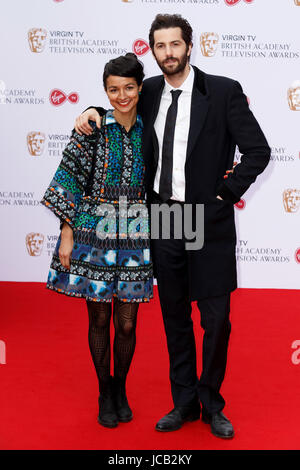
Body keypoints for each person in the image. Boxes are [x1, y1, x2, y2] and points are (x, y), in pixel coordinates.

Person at [74, 14, 271, 439]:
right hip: (162, 214)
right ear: (153, 50)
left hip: (205, 217)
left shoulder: (221, 91)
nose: (168, 53)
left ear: (188, 45)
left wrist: (224, 194)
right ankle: (183, 402)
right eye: (159, 46)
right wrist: (91, 109)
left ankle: (211, 403)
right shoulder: (146, 92)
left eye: (174, 45)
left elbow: (258, 151)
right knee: (174, 314)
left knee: (216, 318)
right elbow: (118, 106)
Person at [41, 53, 153, 429]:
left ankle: (121, 387)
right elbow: (69, 178)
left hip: (136, 229)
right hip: (93, 228)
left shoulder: (150, 127)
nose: (121, 96)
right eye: (112, 89)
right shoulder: (91, 127)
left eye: (129, 88)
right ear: (104, 91)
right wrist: (66, 235)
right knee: (99, 316)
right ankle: (104, 390)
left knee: (127, 323)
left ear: (140, 88)